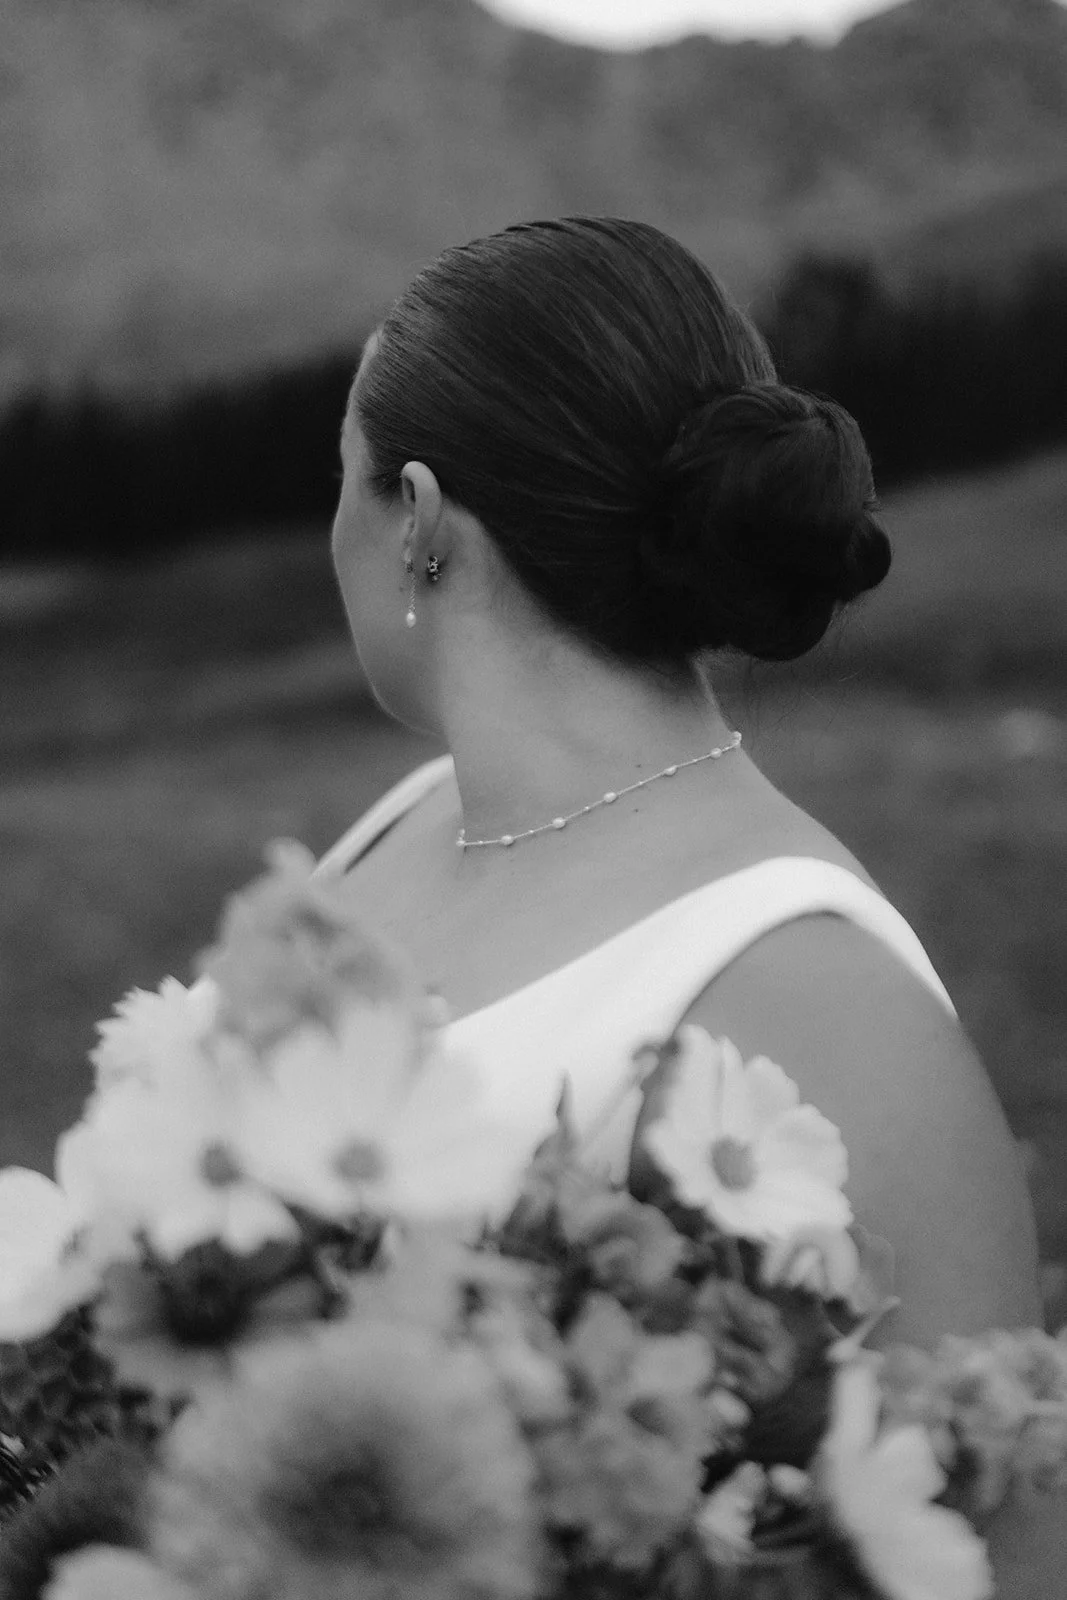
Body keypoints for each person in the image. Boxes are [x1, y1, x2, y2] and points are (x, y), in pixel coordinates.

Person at [318, 215, 1041, 1351]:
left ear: (415, 518)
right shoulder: (399, 822)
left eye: (338, 474)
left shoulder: (816, 987)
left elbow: (984, 1441)